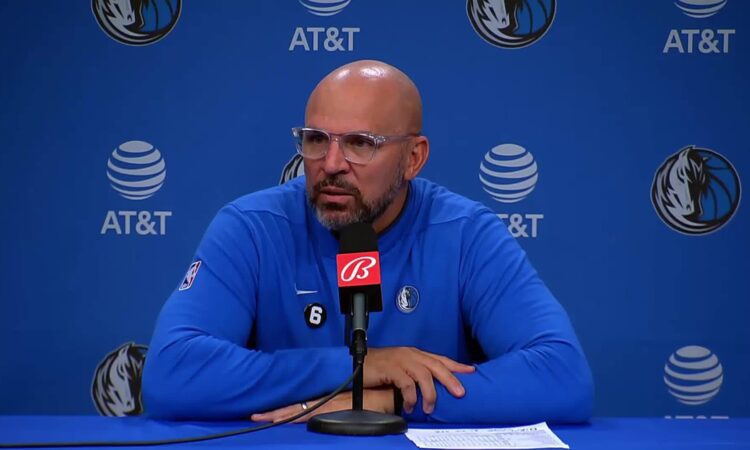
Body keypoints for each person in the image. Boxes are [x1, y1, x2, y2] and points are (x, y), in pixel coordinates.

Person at [142, 60, 594, 424]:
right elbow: (172, 374)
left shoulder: (466, 233)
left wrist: (389, 401)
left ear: (413, 158)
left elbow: (562, 377)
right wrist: (357, 367)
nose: (331, 164)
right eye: (316, 140)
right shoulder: (251, 227)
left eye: (360, 143)